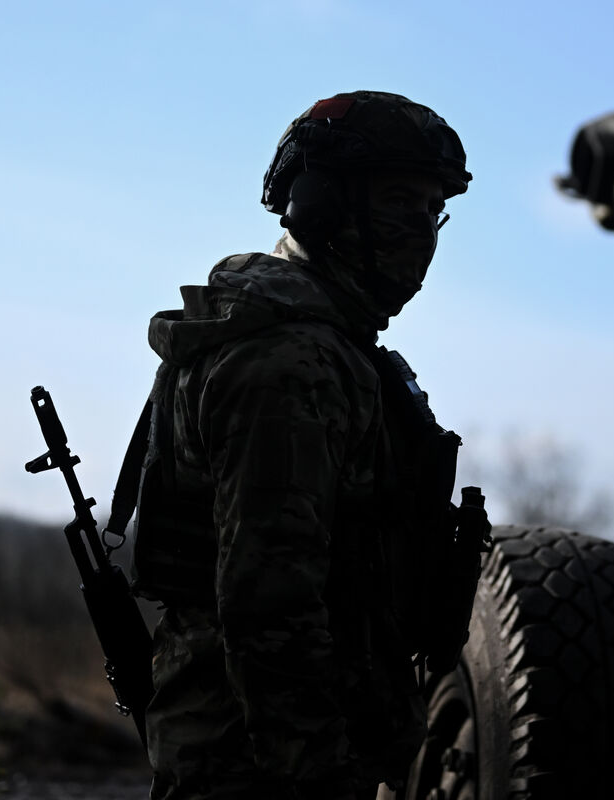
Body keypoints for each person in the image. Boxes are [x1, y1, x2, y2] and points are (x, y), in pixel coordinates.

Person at [128, 90, 482, 800]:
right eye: (398, 202)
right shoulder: (288, 364)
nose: (421, 232)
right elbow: (268, 600)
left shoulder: (334, 351)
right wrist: (317, 770)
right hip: (261, 758)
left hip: (300, 740)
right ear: (322, 205)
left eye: (431, 210)